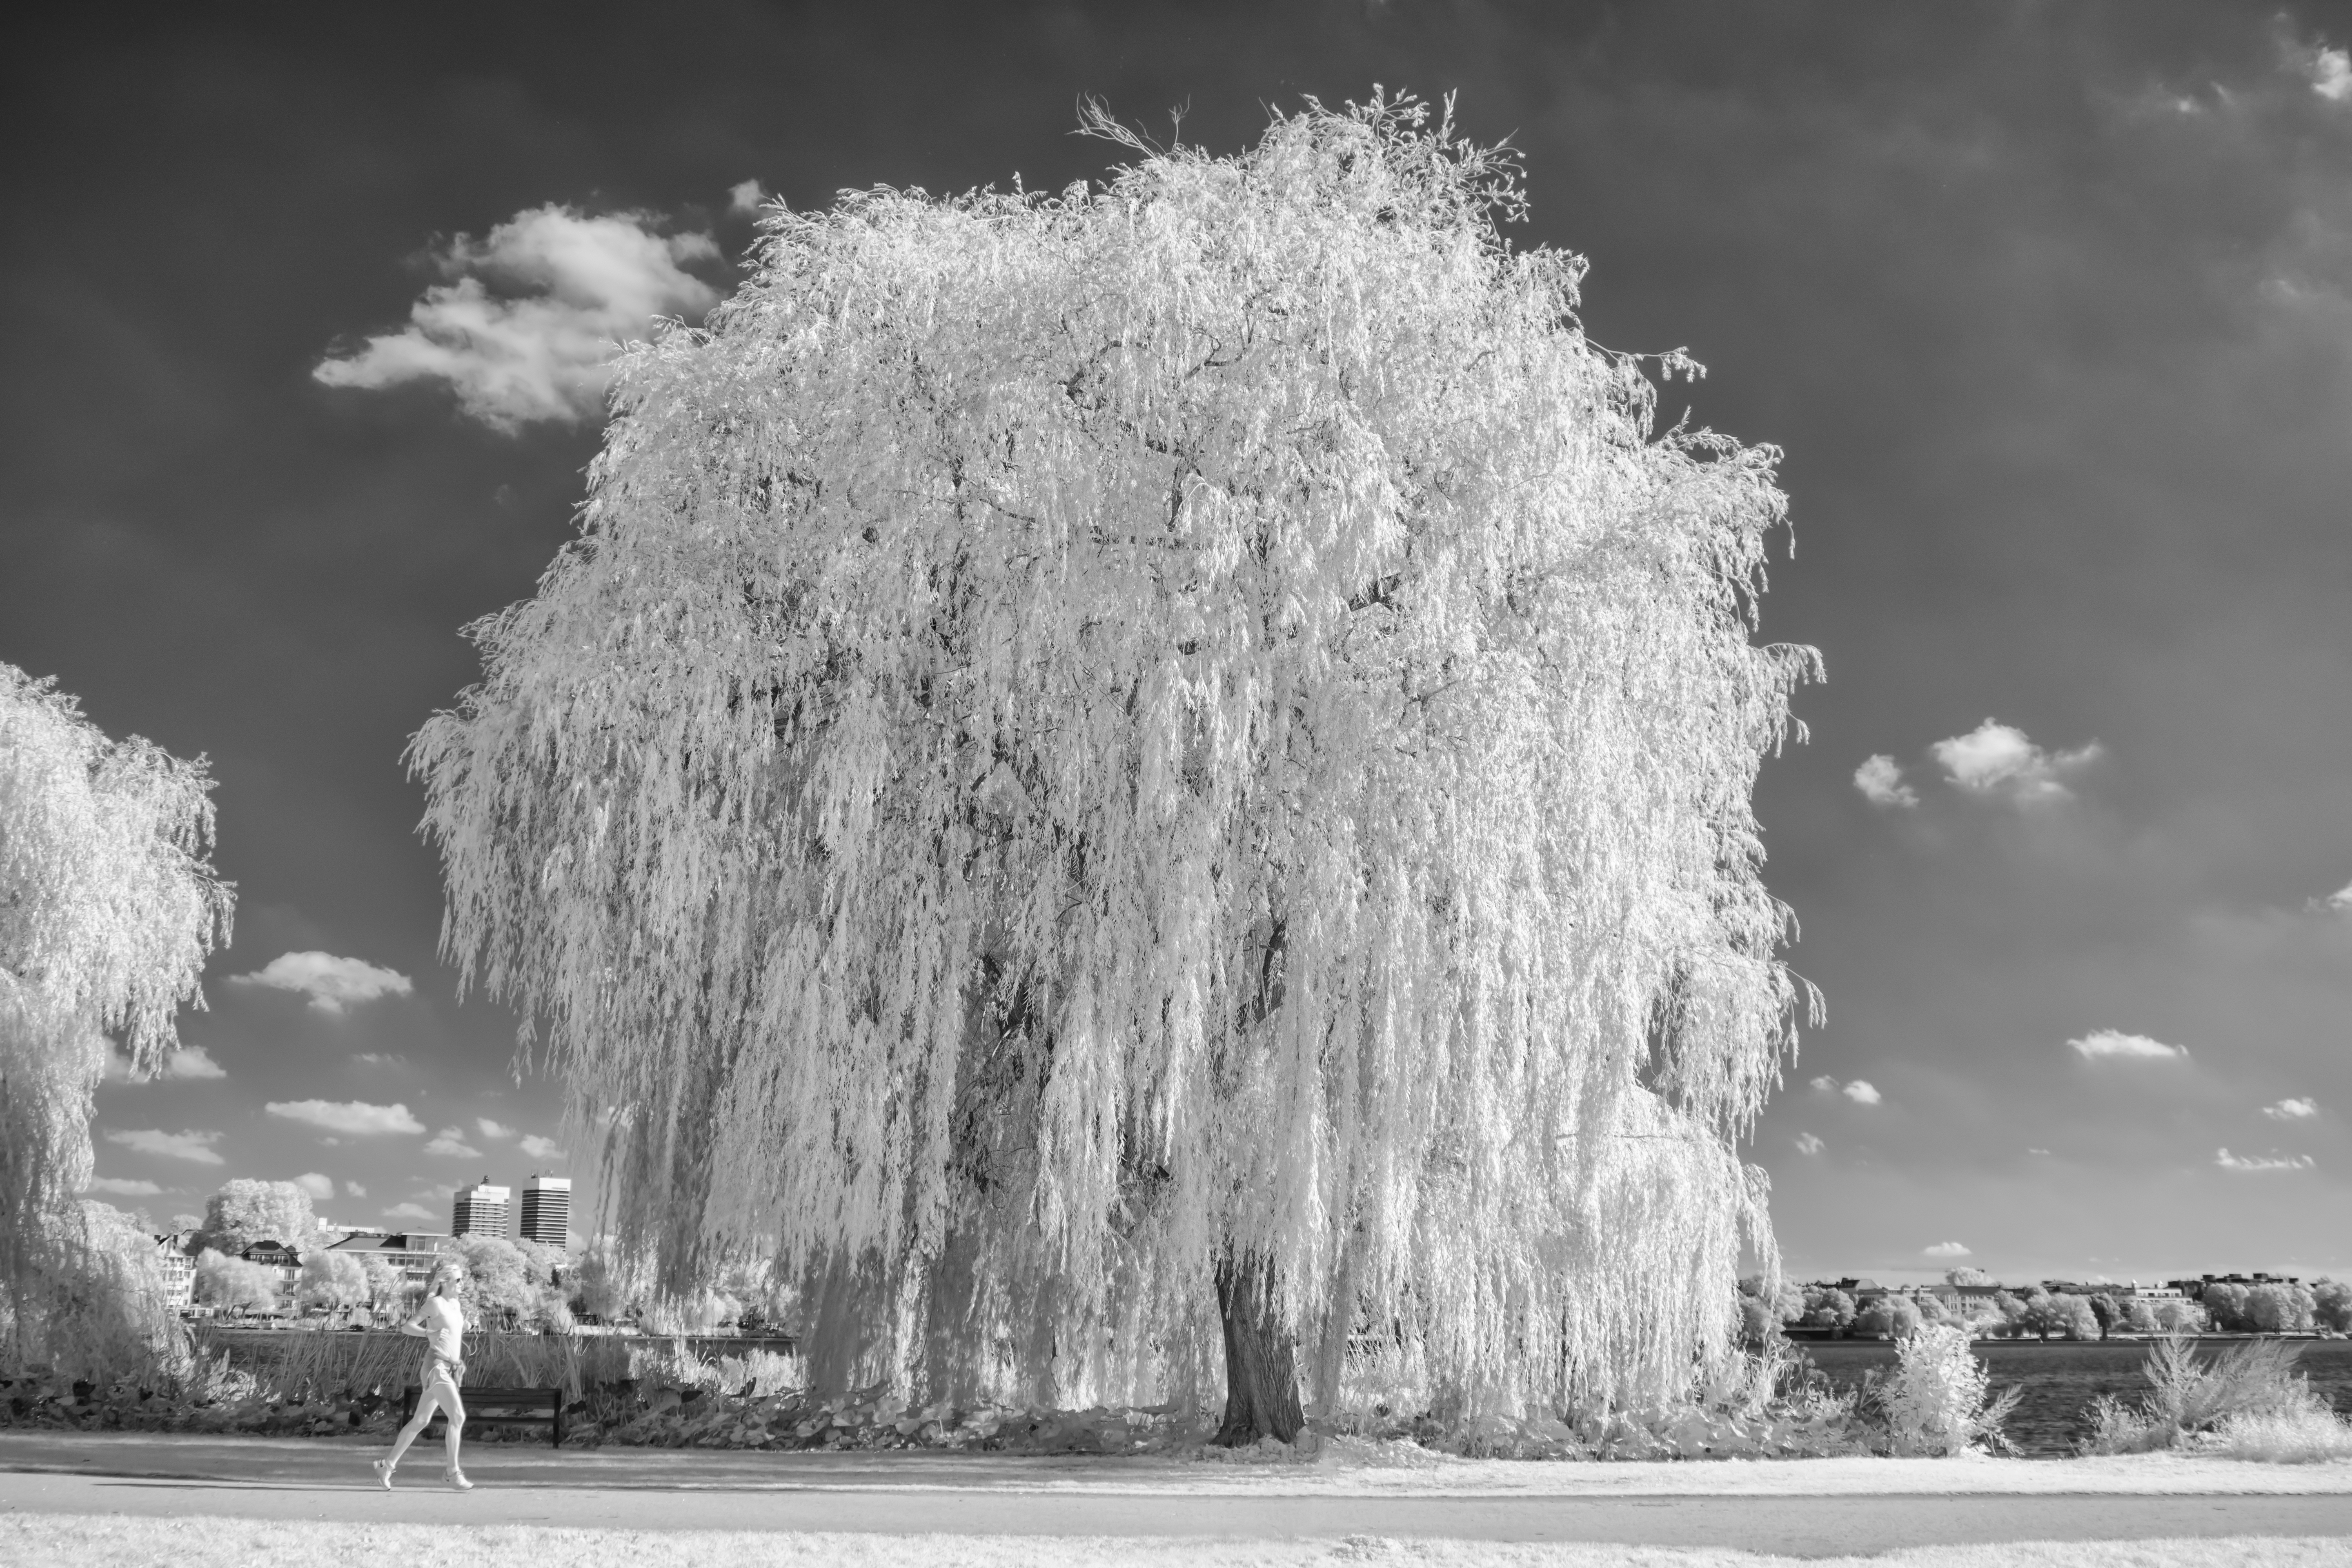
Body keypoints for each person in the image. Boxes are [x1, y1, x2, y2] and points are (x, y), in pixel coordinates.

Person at [372, 1259, 473, 1490]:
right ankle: (452, 1473)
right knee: (458, 1417)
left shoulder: (455, 1305)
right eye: (458, 1280)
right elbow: (407, 1327)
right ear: (445, 1281)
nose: (462, 1283)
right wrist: (429, 1331)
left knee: (420, 1421)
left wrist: (466, 1325)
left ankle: (386, 1466)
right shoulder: (434, 1304)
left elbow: (453, 1328)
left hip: (451, 1367)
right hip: (436, 1366)